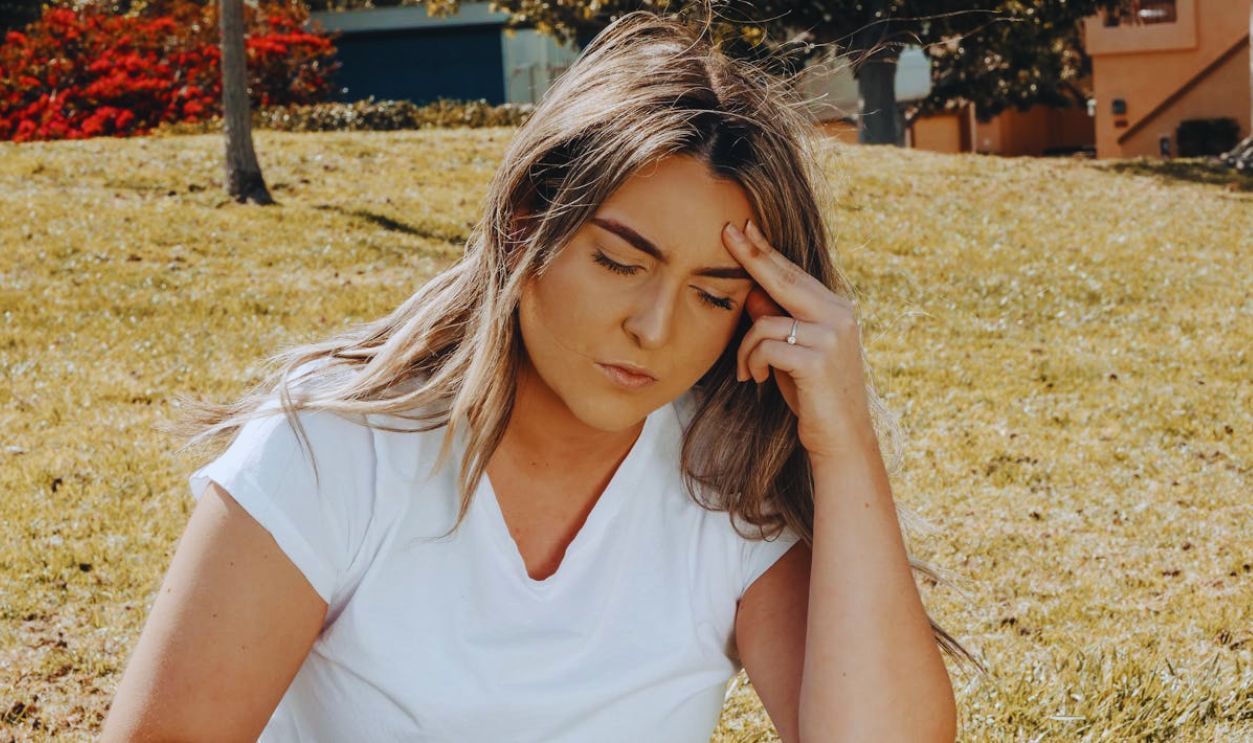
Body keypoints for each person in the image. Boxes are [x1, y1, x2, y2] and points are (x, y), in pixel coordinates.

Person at [101, 9, 976, 742]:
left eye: (713, 295)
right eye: (620, 262)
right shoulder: (330, 447)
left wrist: (842, 441)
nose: (653, 328)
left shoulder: (722, 486)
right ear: (526, 223)